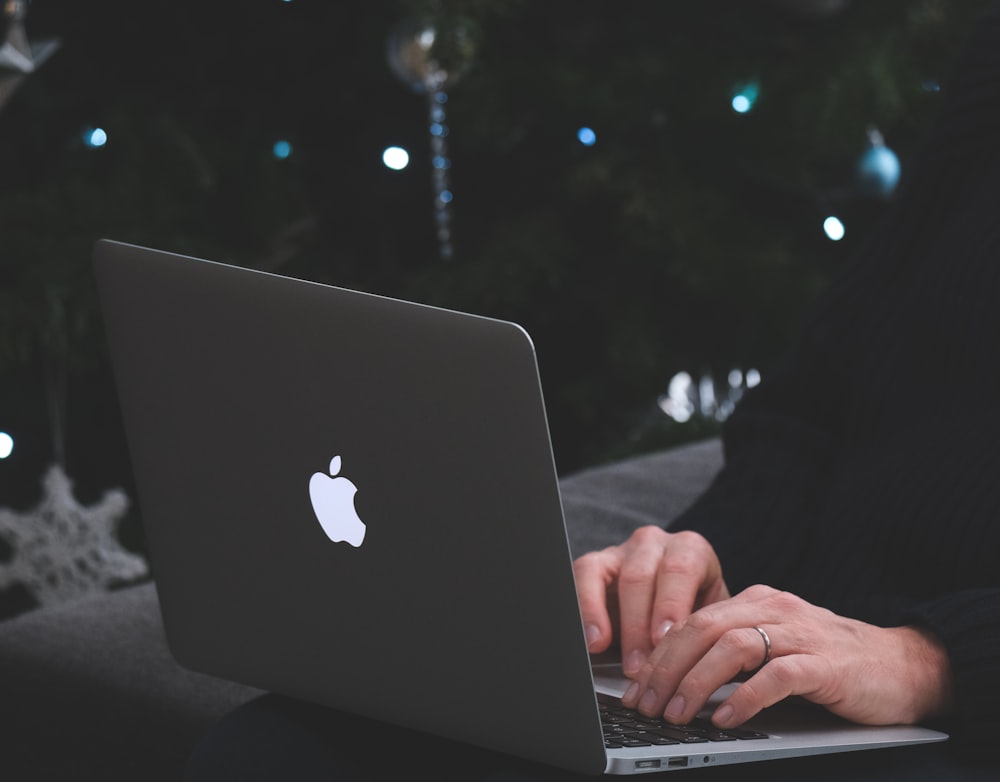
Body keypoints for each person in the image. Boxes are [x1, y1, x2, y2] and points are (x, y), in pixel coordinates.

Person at [185, 2, 1000, 780]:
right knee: (270, 752)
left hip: (955, 706)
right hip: (792, 656)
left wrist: (929, 661)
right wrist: (710, 550)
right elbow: (818, 396)